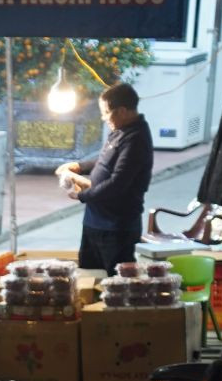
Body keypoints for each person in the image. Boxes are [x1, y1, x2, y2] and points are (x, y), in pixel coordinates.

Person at [56, 83, 154, 271]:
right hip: (95, 222)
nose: (104, 118)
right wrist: (78, 166)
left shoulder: (136, 139)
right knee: (89, 274)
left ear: (123, 111)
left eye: (106, 113)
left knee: (114, 284)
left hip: (117, 229)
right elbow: (104, 160)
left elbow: (117, 183)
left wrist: (82, 195)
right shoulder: (120, 131)